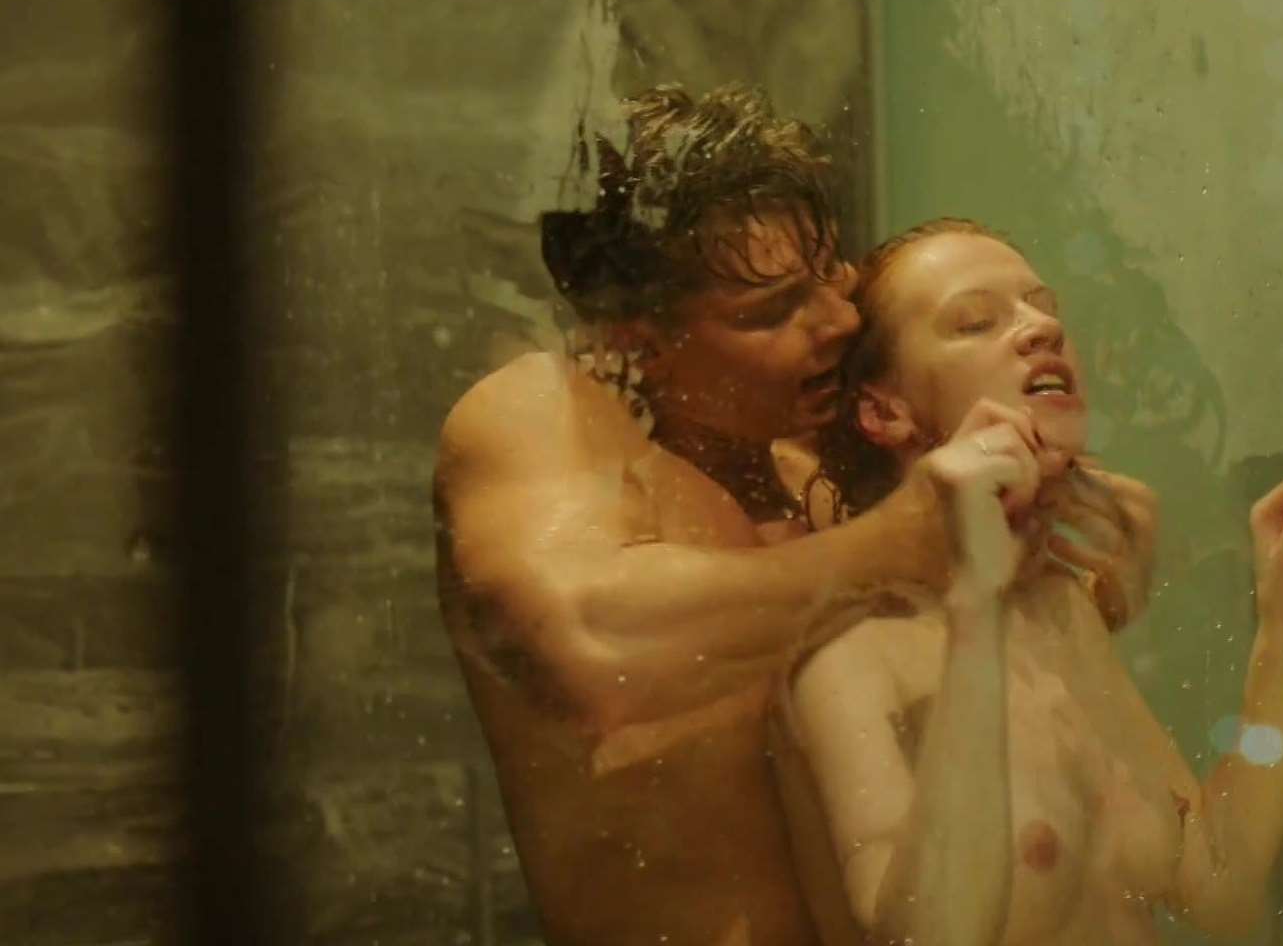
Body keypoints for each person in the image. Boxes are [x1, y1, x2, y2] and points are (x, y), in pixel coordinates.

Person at [433, 89, 1145, 946]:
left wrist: (1068, 559)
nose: (840, 321)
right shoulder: (543, 418)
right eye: (772, 311)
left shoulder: (805, 462)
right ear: (634, 340)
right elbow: (591, 648)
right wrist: (899, 543)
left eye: (829, 274)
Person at [774, 219, 1283, 945]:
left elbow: (1220, 891)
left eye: (1043, 308)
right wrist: (975, 603)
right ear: (884, 411)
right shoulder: (849, 652)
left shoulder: (1062, 611)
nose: (1042, 327)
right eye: (975, 322)